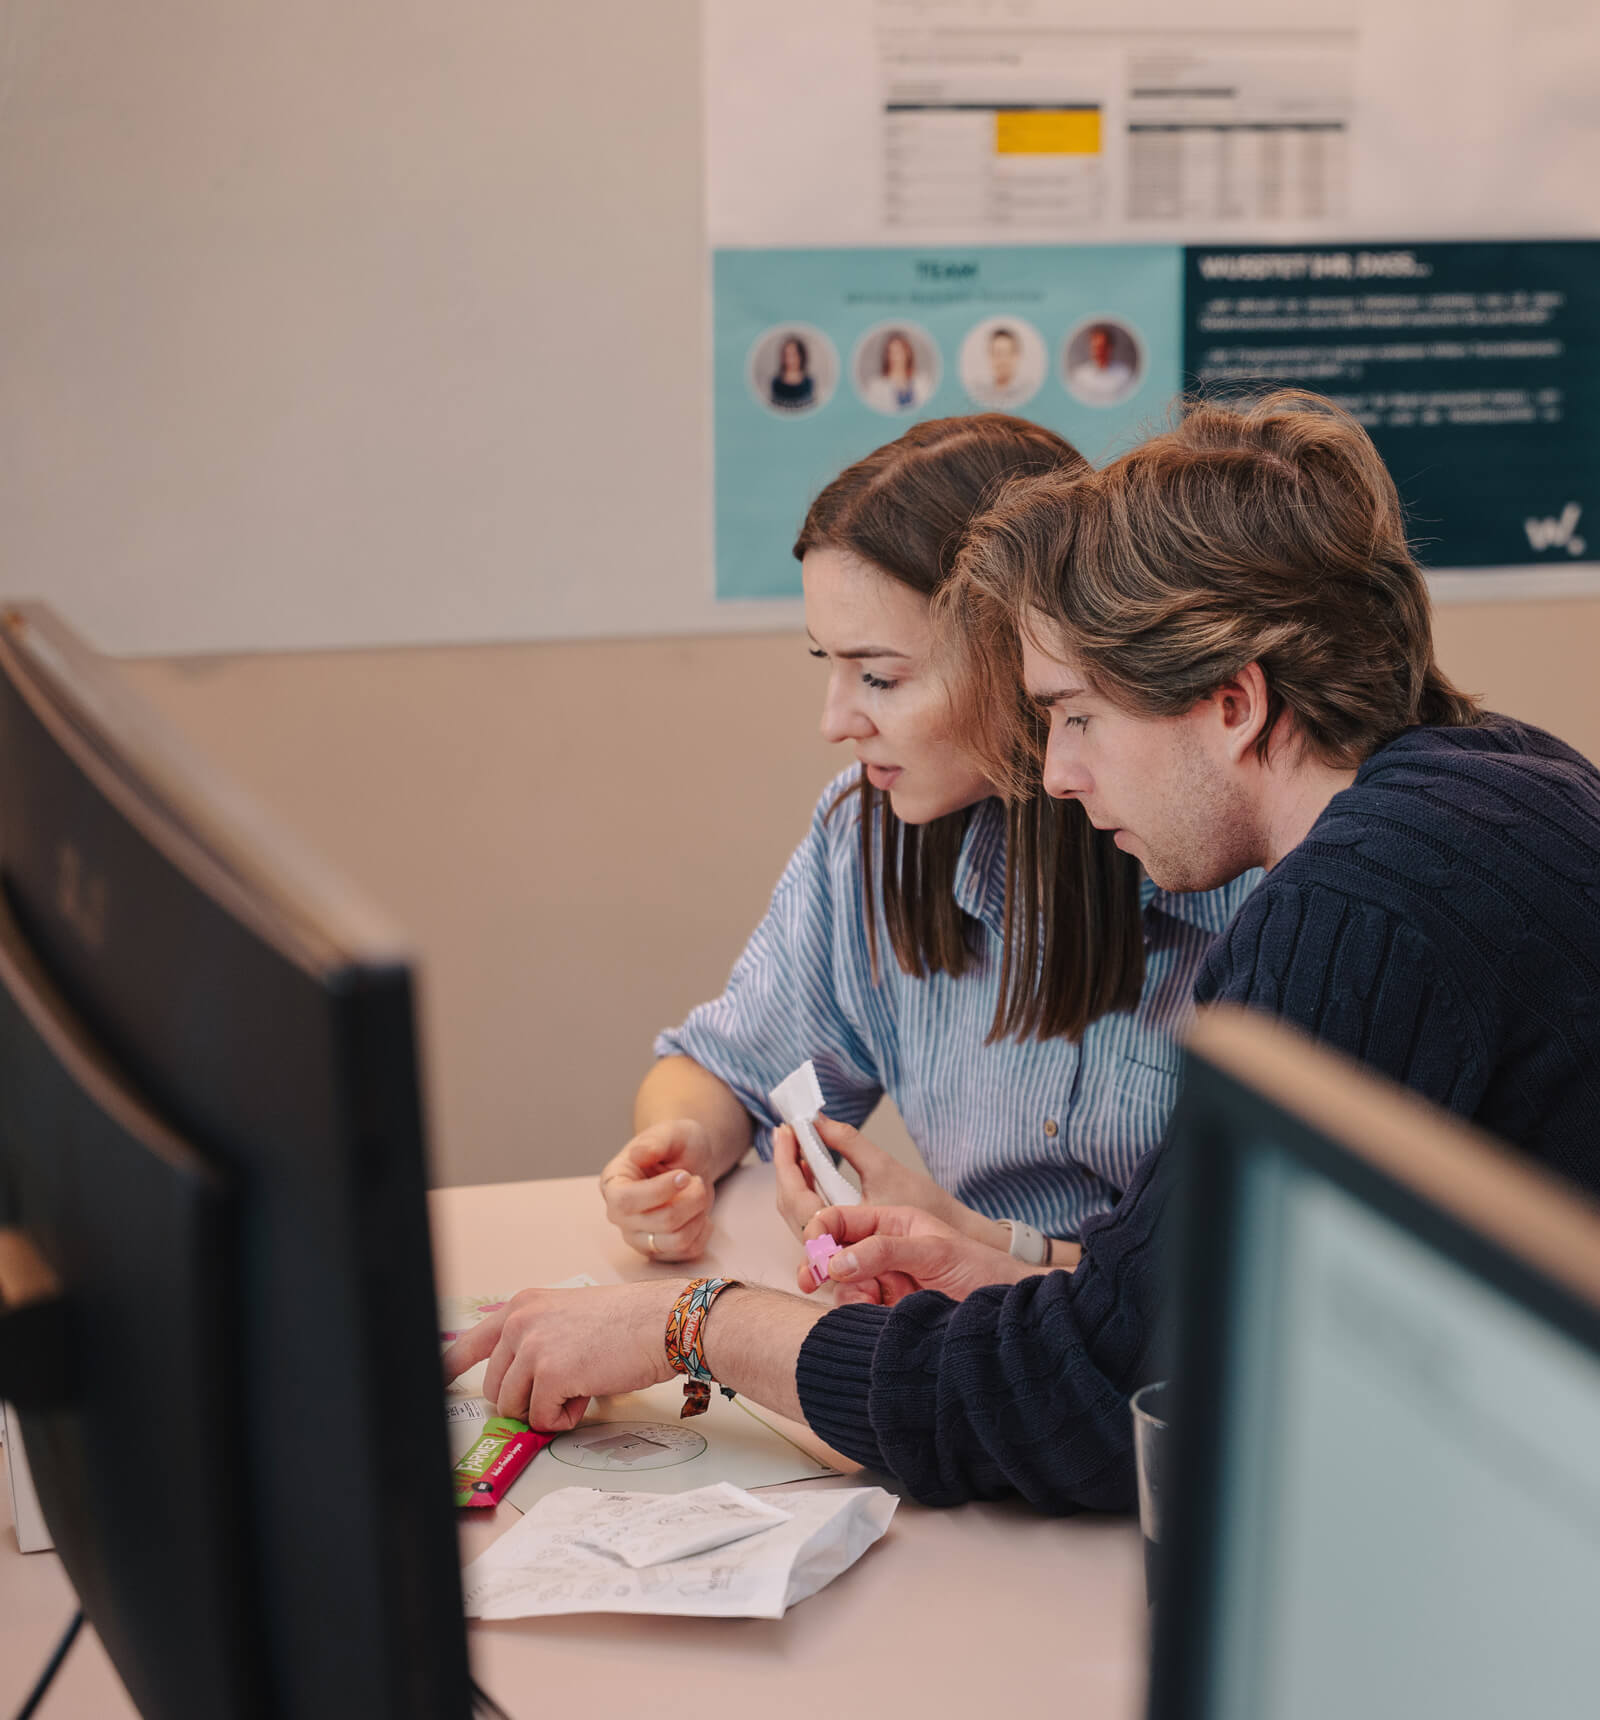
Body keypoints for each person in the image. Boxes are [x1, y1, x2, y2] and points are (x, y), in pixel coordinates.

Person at [452, 391, 1600, 1515]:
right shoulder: (1495, 779)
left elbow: (1098, 1403)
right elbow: (1188, 1320)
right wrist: (1009, 1262)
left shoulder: (1351, 905)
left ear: (1233, 703)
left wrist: (694, 1320)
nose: (1051, 773)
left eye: (1077, 715)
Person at [599, 414, 1255, 1270]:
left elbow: (1250, 1281)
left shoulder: (1221, 852)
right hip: (982, 1342)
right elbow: (723, 1069)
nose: (835, 721)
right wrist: (676, 1150)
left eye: (879, 676)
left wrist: (991, 1251)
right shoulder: (874, 835)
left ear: (1021, 657)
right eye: (829, 666)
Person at [1066, 323, 1136, 406]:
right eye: (1094, 347)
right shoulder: (1080, 376)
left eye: (1101, 347)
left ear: (1109, 348)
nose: (1097, 352)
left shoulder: (1124, 375)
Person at [863, 331, 932, 414]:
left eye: (899, 352)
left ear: (908, 353)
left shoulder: (922, 381)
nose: (894, 357)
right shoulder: (877, 386)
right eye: (890, 352)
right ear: (886, 356)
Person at [769, 336, 815, 411]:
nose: (789, 360)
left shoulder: (809, 382)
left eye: (793, 355)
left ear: (801, 356)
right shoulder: (775, 382)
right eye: (786, 355)